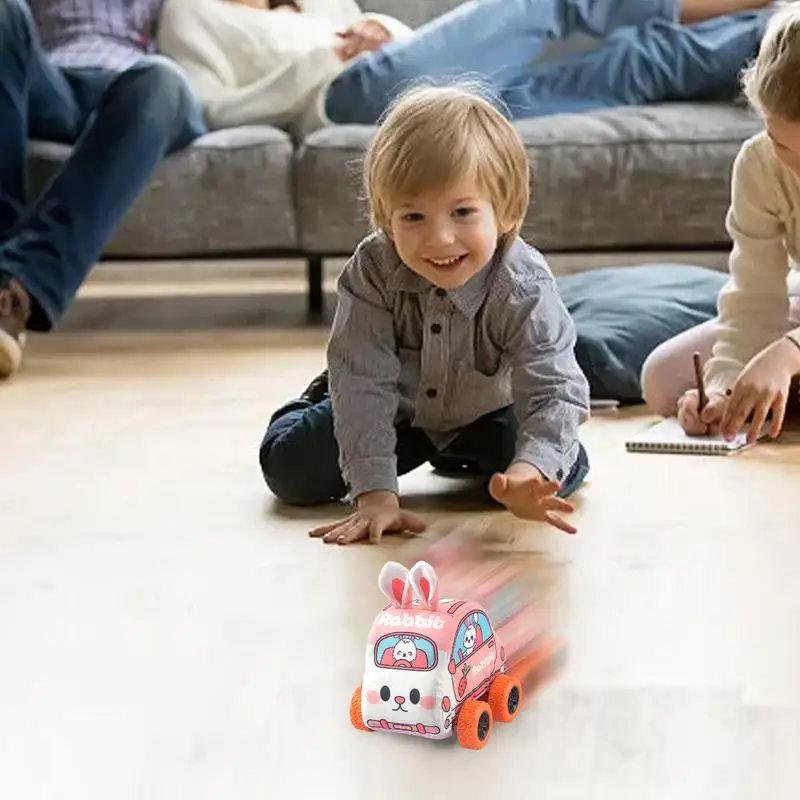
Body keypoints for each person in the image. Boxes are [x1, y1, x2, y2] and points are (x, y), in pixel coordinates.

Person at [259, 84, 592, 545]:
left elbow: (554, 389)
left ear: (507, 211)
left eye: (462, 212)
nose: (439, 239)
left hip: (488, 411)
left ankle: (464, 453)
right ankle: (320, 393)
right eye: (413, 217)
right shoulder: (373, 269)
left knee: (560, 468)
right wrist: (374, 494)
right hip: (397, 408)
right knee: (289, 471)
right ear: (385, 219)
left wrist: (527, 472)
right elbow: (365, 385)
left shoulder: (524, 283)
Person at [158, 0, 773, 139]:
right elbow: (208, 108)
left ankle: (777, 31)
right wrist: (329, 57)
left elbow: (401, 46)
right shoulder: (190, 10)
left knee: (635, 65)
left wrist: (383, 31)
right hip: (346, 98)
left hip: (438, 97)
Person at [0, 0, 206, 380]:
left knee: (163, 79)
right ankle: (4, 285)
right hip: (52, 84)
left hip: (140, 85)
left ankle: (12, 282)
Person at [641, 2, 800, 444]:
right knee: (662, 381)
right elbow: (754, 297)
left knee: (776, 366)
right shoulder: (759, 164)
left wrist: (787, 355)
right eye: (784, 145)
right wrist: (722, 388)